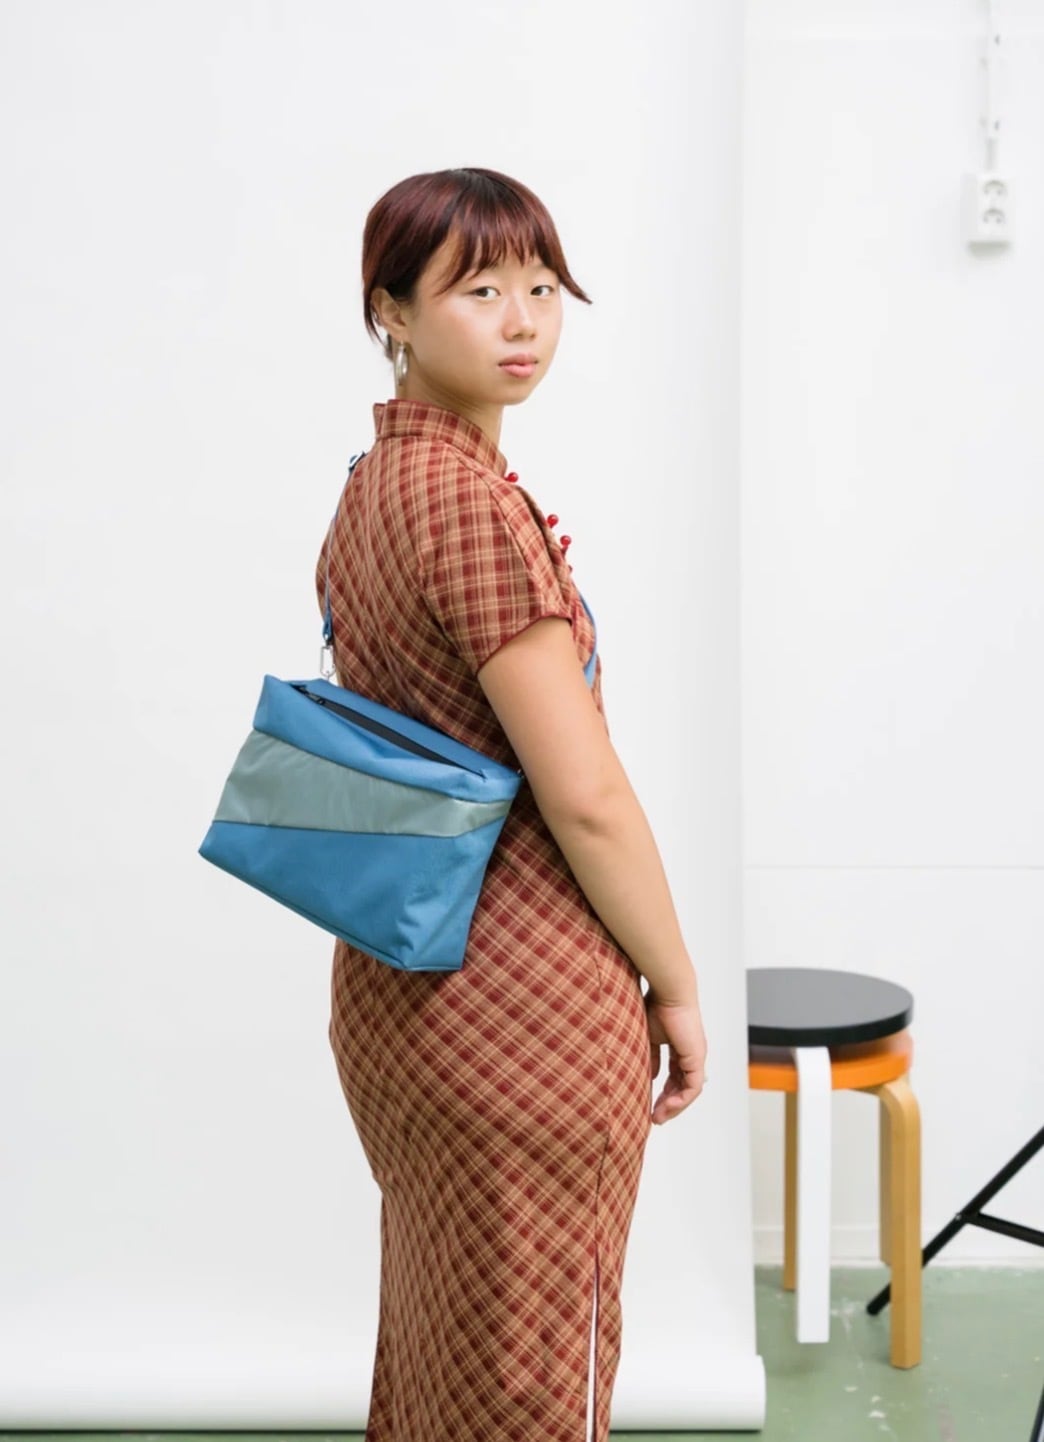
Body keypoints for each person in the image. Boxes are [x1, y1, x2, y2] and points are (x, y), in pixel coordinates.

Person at [317, 166, 708, 1442]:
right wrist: (675, 983)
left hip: (400, 995)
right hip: (523, 1005)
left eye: (542, 287)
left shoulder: (373, 487)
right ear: (391, 310)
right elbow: (584, 795)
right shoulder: (474, 508)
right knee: (537, 1384)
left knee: (444, 1356)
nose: (524, 319)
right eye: (480, 290)